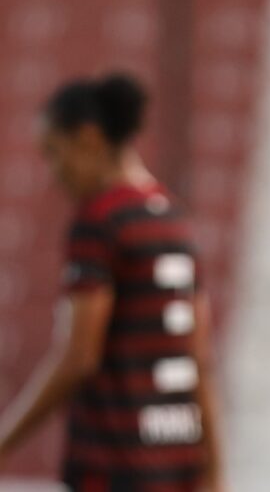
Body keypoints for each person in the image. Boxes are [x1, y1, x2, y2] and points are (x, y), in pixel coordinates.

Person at [0, 74, 224, 491]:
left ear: (87, 139)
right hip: (178, 460)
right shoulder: (174, 219)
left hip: (116, 464)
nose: (55, 172)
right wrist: (214, 474)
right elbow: (200, 357)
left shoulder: (100, 221)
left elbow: (79, 356)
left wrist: (4, 440)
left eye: (54, 153)